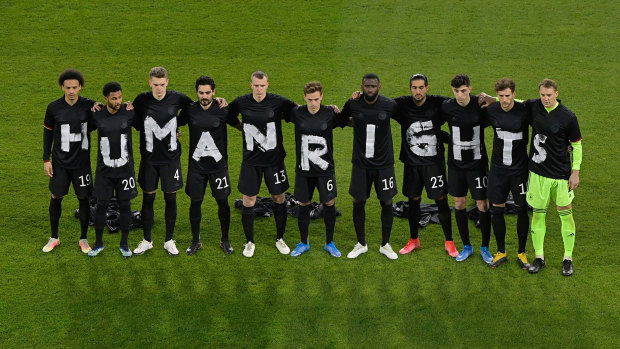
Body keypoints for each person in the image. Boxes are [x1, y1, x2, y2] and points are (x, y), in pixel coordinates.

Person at [226, 71, 297, 257]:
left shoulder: (278, 101)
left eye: (262, 85)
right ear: (251, 85)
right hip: (251, 161)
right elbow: (228, 115)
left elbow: (299, 111)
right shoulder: (241, 102)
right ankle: (249, 242)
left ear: (268, 85)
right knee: (249, 200)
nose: (259, 89)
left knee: (279, 197)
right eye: (256, 85)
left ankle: (280, 238)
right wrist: (240, 126)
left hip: (274, 161)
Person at [392, 74, 459, 258]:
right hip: (412, 164)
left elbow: (461, 103)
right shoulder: (402, 104)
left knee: (441, 201)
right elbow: (380, 105)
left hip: (433, 164)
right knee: (413, 202)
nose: (418, 91)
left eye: (421, 87)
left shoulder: (438, 103)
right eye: (414, 87)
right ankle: (414, 240)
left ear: (427, 88)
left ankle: (449, 242)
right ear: (410, 88)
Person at [132, 67, 192, 256]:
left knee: (170, 198)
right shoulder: (141, 100)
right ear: (150, 83)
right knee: (148, 198)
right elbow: (133, 121)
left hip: (170, 160)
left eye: (162, 84)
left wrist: (176, 125)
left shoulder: (178, 98)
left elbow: (194, 109)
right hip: (149, 160)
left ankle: (168, 240)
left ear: (167, 82)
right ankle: (147, 240)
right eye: (155, 84)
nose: (159, 88)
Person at [525, 79, 582, 276]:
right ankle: (539, 257)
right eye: (542, 95)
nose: (546, 99)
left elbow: (576, 144)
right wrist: (493, 99)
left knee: (566, 215)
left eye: (549, 95)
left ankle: (568, 258)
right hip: (538, 174)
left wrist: (575, 172)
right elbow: (512, 101)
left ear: (556, 93)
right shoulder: (534, 107)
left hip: (561, 176)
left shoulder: (568, 117)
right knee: (538, 215)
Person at [179, 76, 240, 256]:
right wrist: (175, 130)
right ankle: (195, 241)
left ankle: (225, 240)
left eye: (207, 92)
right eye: (201, 93)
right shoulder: (190, 110)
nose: (204, 96)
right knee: (195, 202)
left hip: (218, 167)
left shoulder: (223, 109)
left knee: (223, 202)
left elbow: (238, 124)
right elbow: (176, 122)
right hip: (197, 168)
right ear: (196, 92)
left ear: (214, 92)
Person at [287, 81, 349, 257]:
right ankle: (303, 243)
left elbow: (347, 119)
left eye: (316, 99)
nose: (313, 103)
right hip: (304, 171)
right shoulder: (296, 113)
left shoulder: (330, 113)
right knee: (303, 204)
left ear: (321, 96)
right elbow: (279, 110)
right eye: (310, 100)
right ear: (304, 98)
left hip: (325, 170)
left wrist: (343, 106)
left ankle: (330, 243)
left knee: (329, 203)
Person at [342, 73, 399, 260]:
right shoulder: (353, 104)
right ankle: (361, 244)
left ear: (379, 87)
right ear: (362, 86)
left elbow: (407, 116)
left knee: (387, 202)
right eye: (366, 86)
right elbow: (341, 120)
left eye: (373, 86)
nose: (369, 90)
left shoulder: (389, 105)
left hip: (384, 165)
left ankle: (385, 244)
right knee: (358, 201)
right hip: (361, 165)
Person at [42, 69, 96, 253]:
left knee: (84, 198)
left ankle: (83, 239)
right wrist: (46, 159)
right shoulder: (53, 108)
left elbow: (109, 118)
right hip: (60, 164)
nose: (71, 91)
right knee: (56, 197)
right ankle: (54, 237)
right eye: (68, 88)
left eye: (74, 87)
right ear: (62, 87)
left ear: (80, 87)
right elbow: (48, 133)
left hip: (82, 165)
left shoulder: (89, 106)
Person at [441, 74, 493, 263]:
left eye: (463, 91)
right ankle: (467, 247)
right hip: (455, 166)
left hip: (477, 165)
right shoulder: (447, 106)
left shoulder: (481, 106)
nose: (460, 95)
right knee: (459, 204)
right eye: (456, 91)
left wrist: (493, 99)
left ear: (470, 89)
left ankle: (485, 247)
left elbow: (507, 107)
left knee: (483, 204)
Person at [483, 78, 531, 269]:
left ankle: (522, 252)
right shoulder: (491, 110)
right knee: (497, 209)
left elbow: (546, 119)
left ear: (514, 95)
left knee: (521, 208)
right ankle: (501, 251)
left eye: (507, 96)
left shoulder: (525, 111)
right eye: (501, 96)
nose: (504, 100)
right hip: (498, 170)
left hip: (519, 171)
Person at [87, 82, 138, 257]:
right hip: (104, 171)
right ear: (106, 98)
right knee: (101, 206)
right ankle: (98, 243)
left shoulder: (130, 111)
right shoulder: (96, 114)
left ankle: (124, 244)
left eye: (120, 97)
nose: (118, 101)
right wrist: (93, 105)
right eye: (114, 98)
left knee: (125, 206)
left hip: (125, 171)